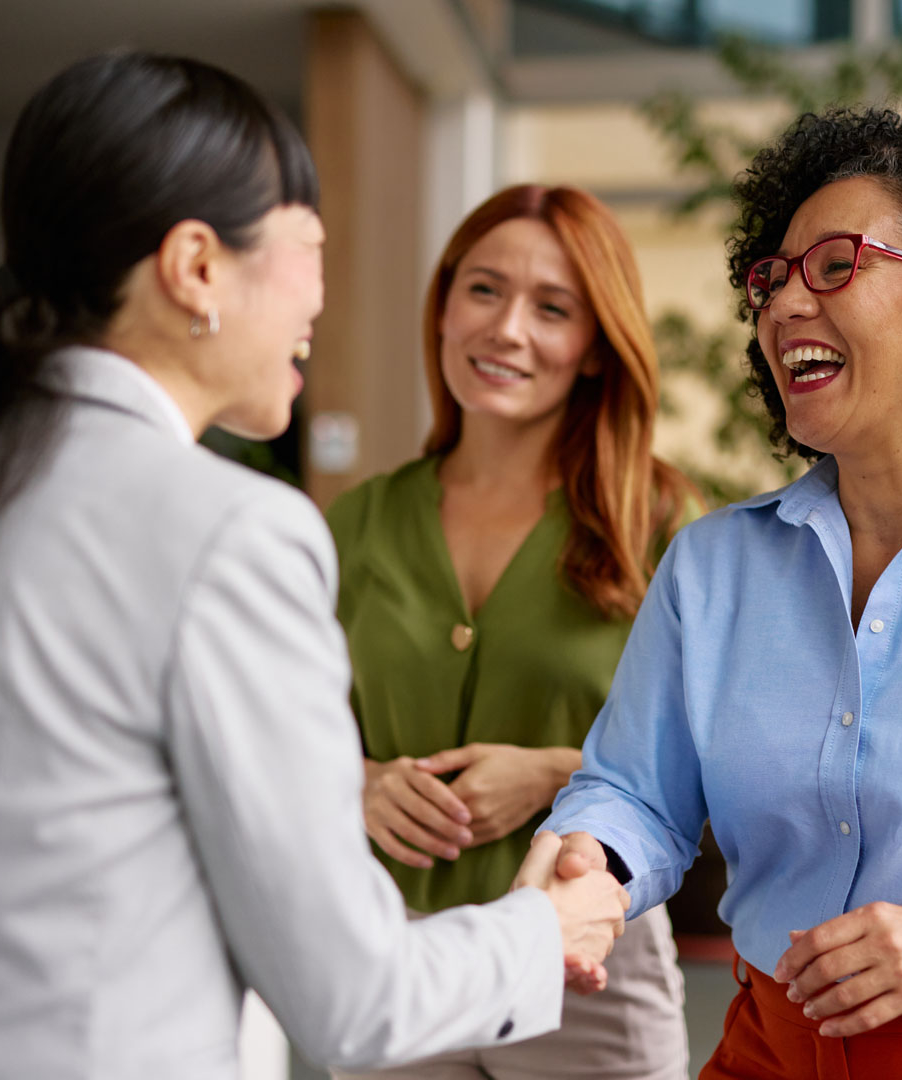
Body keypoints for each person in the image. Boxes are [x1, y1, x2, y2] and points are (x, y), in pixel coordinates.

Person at [0, 52, 631, 1080]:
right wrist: (543, 931)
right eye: (311, 248)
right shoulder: (235, 531)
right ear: (197, 266)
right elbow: (356, 997)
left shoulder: (9, 478)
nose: (319, 297)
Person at [535, 105, 902, 1079]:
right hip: (762, 1052)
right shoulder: (714, 566)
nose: (781, 305)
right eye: (770, 278)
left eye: (834, 265)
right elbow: (634, 790)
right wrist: (588, 857)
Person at [325, 183, 697, 1079]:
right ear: (445, 306)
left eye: (552, 308)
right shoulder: (359, 521)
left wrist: (552, 775)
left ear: (597, 349)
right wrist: (364, 781)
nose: (507, 329)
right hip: (395, 953)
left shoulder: (661, 522)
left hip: (590, 957)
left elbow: (718, 755)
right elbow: (282, 731)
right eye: (484, 289)